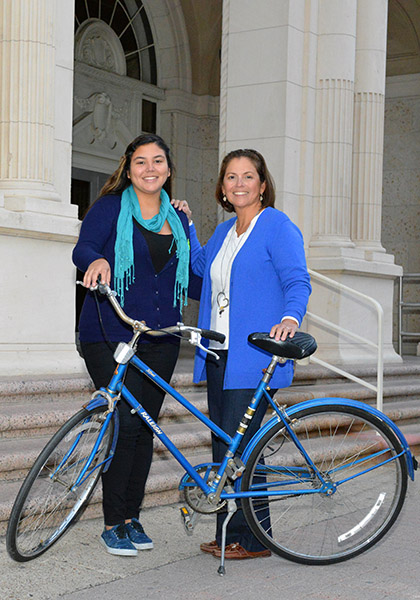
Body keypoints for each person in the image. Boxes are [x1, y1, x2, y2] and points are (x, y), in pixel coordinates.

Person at [72, 133, 200, 557]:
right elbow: (84, 246)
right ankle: (113, 522)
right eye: (141, 162)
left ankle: (132, 517)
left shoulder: (178, 220)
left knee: (144, 427)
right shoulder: (110, 207)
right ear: (129, 170)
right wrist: (96, 259)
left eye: (158, 161)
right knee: (123, 423)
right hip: (110, 331)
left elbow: (196, 279)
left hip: (161, 337)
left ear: (168, 169)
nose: (150, 169)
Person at [182, 148, 311, 560]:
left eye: (247, 176)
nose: (239, 183)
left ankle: (253, 538)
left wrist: (290, 318)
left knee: (243, 452)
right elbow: (199, 268)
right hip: (218, 352)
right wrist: (183, 224)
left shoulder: (277, 226)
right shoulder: (223, 233)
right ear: (222, 187)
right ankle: (230, 533)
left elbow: (297, 279)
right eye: (231, 177)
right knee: (225, 450)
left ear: (262, 184)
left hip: (253, 356)